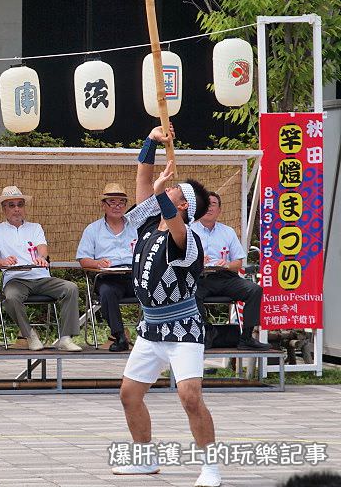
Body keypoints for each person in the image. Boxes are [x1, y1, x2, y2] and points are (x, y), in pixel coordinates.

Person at [112, 125, 222, 487]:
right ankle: (144, 460)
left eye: (174, 189)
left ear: (184, 204)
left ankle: (211, 467)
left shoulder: (185, 237)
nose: (166, 184)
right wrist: (150, 140)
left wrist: (162, 193)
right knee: (130, 395)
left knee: (190, 396)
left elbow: (169, 213)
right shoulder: (148, 223)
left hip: (183, 328)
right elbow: (144, 178)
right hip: (150, 327)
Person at [0, 185, 82, 352]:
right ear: (3, 209)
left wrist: (41, 258)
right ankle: (29, 334)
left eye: (20, 205)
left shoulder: (35, 227)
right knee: (11, 297)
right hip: (16, 279)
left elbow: (42, 247)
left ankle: (65, 338)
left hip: (40, 276)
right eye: (11, 205)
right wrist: (2, 262)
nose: (16, 209)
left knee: (71, 288)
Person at [192, 191, 267, 350]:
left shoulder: (228, 231)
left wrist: (226, 264)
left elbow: (238, 262)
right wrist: (197, 261)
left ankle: (246, 338)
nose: (209, 207)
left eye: (213, 204)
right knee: (190, 292)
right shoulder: (188, 230)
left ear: (219, 210)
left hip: (225, 277)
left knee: (254, 290)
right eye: (206, 203)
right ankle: (206, 332)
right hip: (199, 277)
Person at [76, 182, 137, 351]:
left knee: (156, 288)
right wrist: (97, 263)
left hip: (134, 274)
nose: (117, 206)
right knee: (107, 292)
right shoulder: (93, 230)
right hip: (108, 277)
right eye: (112, 202)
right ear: (103, 205)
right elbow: (83, 259)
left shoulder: (136, 227)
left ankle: (153, 334)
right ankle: (119, 336)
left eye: (121, 202)